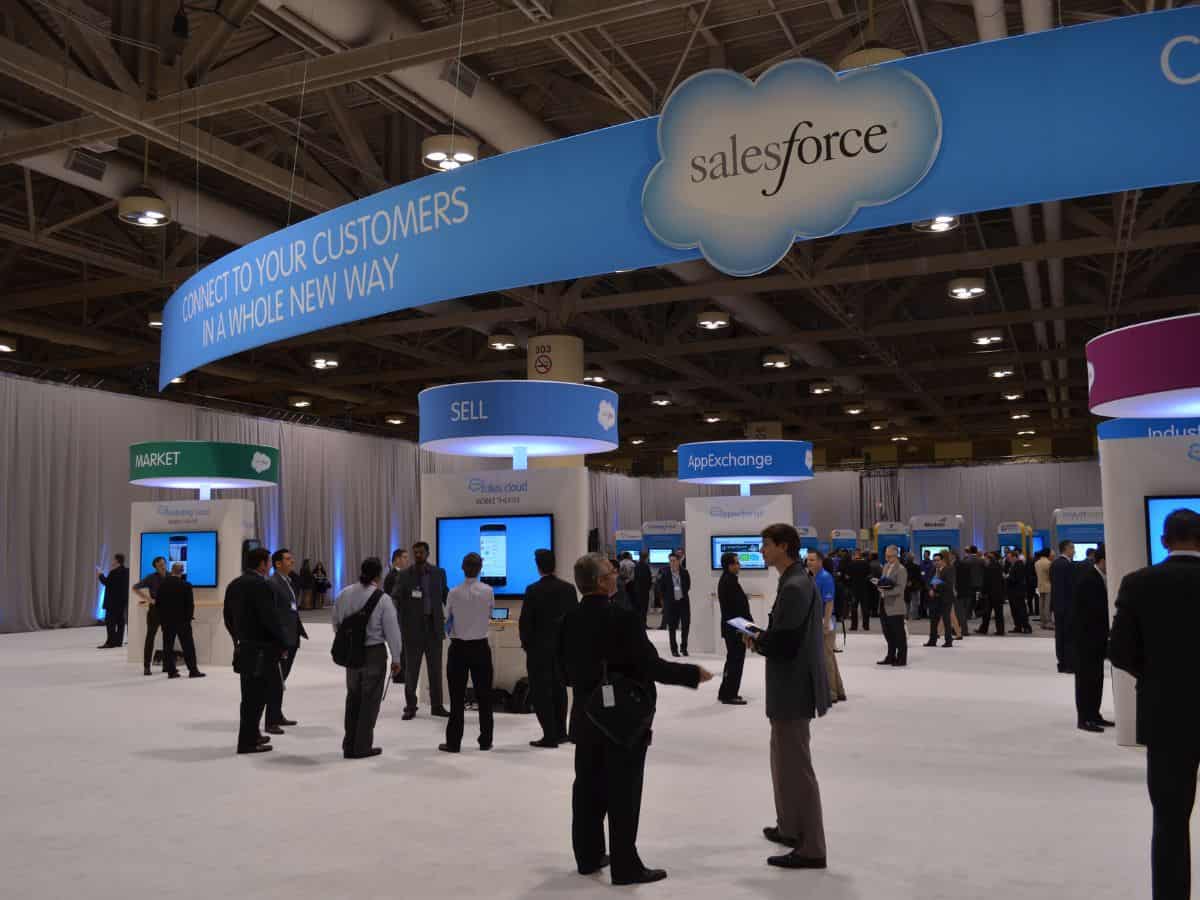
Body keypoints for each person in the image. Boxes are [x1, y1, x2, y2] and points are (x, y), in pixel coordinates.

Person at [559, 553, 712, 885]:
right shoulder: (623, 619)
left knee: (586, 787)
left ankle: (588, 856)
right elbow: (651, 666)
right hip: (622, 721)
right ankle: (625, 867)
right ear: (602, 582)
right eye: (612, 572)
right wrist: (691, 674)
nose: (616, 576)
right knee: (624, 792)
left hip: (585, 715)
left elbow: (562, 669)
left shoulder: (570, 618)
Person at [1109, 508, 1200, 900]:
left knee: (1169, 820)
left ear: (1164, 541)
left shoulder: (1138, 583)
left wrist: (1158, 676)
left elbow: (1120, 651)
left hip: (1166, 717)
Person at [746, 523, 829, 869]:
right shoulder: (792, 580)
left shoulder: (795, 585)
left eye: (765, 545)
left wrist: (757, 640)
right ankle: (790, 828)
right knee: (783, 761)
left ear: (783, 546)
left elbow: (787, 643)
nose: (761, 551)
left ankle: (812, 847)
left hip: (793, 688)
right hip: (786, 687)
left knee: (796, 767)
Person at [332, 556, 403, 759]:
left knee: (352, 698)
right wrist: (396, 658)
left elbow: (336, 623)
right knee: (370, 701)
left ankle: (349, 744)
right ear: (379, 575)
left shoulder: (344, 594)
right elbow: (392, 632)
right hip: (374, 653)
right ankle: (362, 746)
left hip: (352, 654)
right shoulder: (383, 599)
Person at [223, 548, 287, 755]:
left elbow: (228, 617)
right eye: (268, 562)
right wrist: (282, 643)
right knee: (257, 697)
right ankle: (248, 742)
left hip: (245, 646)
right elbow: (270, 619)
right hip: (262, 649)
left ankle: (252, 735)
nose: (269, 566)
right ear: (262, 564)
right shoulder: (262, 585)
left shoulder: (234, 584)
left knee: (249, 695)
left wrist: (238, 638)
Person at [520, 548, 578, 748]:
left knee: (541, 692)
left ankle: (549, 735)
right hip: (563, 651)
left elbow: (525, 623)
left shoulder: (532, 590)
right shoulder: (569, 589)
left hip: (538, 651)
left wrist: (527, 646)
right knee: (560, 690)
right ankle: (561, 732)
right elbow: (573, 621)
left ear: (538, 566)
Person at [439, 553, 496, 753]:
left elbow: (448, 619)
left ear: (463, 568)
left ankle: (454, 742)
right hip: (481, 648)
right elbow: (492, 614)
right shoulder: (488, 591)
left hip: (458, 649)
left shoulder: (453, 593)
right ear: (481, 569)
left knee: (456, 698)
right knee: (484, 696)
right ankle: (486, 740)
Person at [392, 542, 449, 720]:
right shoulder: (404, 575)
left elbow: (446, 596)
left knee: (435, 669)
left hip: (434, 629)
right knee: (411, 670)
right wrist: (399, 620)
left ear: (428, 553)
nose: (417, 555)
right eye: (415, 552)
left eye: (421, 552)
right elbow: (395, 597)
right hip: (412, 630)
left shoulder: (439, 573)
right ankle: (410, 706)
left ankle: (437, 705)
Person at [267, 549, 307, 731]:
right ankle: (271, 720)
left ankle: (277, 714)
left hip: (291, 637)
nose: (292, 561)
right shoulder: (273, 583)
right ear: (277, 563)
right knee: (276, 680)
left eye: (292, 558)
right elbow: (274, 615)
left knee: (282, 679)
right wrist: (279, 640)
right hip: (282, 640)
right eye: (288, 559)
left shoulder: (287, 581)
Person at [1073, 544, 1112, 733]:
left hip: (1097, 638)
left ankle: (1094, 714)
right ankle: (1084, 718)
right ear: (1102, 561)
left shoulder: (1100, 577)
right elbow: (1086, 612)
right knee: (1086, 679)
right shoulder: (1089, 579)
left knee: (1096, 678)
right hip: (1086, 639)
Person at [808, 550, 845, 704]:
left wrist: (825, 623)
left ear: (820, 561)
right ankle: (838, 690)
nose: (809, 562)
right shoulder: (813, 577)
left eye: (812, 559)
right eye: (807, 559)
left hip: (825, 621)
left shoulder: (825, 577)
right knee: (828, 656)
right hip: (817, 620)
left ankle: (831, 692)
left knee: (826, 657)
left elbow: (829, 602)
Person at [157, 563, 205, 679]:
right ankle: (193, 671)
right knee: (188, 646)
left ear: (172, 570)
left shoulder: (162, 585)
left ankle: (171, 672)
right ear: (182, 571)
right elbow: (190, 605)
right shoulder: (186, 585)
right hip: (183, 621)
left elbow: (158, 604)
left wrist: (162, 619)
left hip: (167, 621)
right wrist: (189, 618)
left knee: (168, 646)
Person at [717, 551, 752, 705]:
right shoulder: (729, 582)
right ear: (730, 565)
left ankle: (725, 692)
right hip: (735, 628)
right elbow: (738, 609)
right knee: (735, 661)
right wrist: (748, 627)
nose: (739, 565)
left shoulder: (727, 580)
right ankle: (729, 694)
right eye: (737, 563)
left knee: (732, 660)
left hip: (732, 627)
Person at [133, 556, 168, 676]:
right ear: (156, 567)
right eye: (160, 565)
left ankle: (166, 665)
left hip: (167, 610)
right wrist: (148, 599)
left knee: (168, 638)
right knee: (150, 638)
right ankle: (146, 666)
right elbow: (135, 588)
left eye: (164, 564)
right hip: (155, 610)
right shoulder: (151, 577)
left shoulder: (170, 576)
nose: (163, 566)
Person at [877, 545, 909, 666]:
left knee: (899, 634)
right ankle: (890, 656)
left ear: (896, 556)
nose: (887, 558)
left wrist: (885, 592)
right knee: (888, 633)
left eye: (889, 556)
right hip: (883, 604)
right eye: (886, 555)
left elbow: (900, 589)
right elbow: (883, 582)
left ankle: (902, 658)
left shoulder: (901, 569)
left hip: (895, 606)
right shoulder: (885, 567)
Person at [1051, 541, 1078, 673]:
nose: (1074, 551)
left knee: (1060, 634)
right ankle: (1069, 664)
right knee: (1068, 635)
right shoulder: (1068, 565)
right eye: (1072, 548)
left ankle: (1061, 662)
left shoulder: (1055, 564)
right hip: (1068, 605)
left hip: (1058, 605)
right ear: (1066, 549)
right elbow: (1071, 586)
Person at [657, 553, 691, 657]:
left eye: (674, 560)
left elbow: (688, 585)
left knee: (685, 625)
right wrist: (665, 600)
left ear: (678, 561)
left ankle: (684, 647)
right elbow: (661, 588)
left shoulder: (684, 572)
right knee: (672, 627)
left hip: (683, 602)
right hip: (671, 604)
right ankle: (674, 649)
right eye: (670, 560)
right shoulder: (665, 573)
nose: (672, 563)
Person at [96, 554, 129, 648]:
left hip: (112, 602)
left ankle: (110, 642)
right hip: (122, 601)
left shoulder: (113, 572)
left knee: (110, 622)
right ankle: (118, 641)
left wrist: (100, 575)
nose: (112, 561)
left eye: (113, 560)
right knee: (120, 621)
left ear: (117, 561)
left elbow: (107, 583)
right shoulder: (127, 571)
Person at [924, 553, 954, 648]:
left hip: (945, 599)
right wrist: (930, 589)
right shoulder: (933, 570)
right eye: (934, 560)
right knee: (933, 620)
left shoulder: (948, 570)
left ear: (942, 561)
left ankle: (948, 641)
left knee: (946, 620)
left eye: (937, 560)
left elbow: (949, 584)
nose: (936, 562)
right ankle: (932, 640)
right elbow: (927, 581)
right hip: (934, 599)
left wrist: (936, 588)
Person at [977, 552, 1007, 636]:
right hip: (999, 593)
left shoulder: (988, 568)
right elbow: (1002, 581)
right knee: (999, 613)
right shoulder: (999, 566)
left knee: (986, 613)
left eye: (985, 559)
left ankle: (983, 629)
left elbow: (986, 582)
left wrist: (982, 592)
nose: (984, 561)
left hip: (989, 594)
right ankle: (1000, 630)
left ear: (988, 559)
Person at [1005, 551, 1033, 634]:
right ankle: (1018, 626)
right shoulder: (1014, 565)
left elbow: (1016, 579)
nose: (1008, 559)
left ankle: (1026, 627)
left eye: (1009, 557)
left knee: (1021, 610)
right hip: (1013, 592)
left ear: (1015, 557)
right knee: (1015, 611)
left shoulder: (1019, 565)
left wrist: (1007, 577)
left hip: (1017, 592)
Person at [845, 551, 873, 631]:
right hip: (864, 589)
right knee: (865, 608)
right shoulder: (866, 564)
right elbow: (870, 575)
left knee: (854, 608)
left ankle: (854, 626)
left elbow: (847, 577)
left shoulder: (851, 564)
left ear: (855, 556)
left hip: (854, 589)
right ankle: (866, 626)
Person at [1035, 548, 1054, 629]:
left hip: (1040, 585)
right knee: (1047, 605)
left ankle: (1042, 622)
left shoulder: (1037, 563)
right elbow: (1051, 575)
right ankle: (1048, 622)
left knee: (1041, 605)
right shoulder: (1049, 563)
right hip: (1048, 586)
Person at [631, 553, 653, 627]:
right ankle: (643, 624)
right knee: (644, 609)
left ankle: (638, 624)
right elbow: (649, 579)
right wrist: (649, 587)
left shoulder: (636, 566)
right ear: (646, 558)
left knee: (638, 608)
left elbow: (635, 578)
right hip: (644, 591)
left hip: (637, 590)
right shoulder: (646, 566)